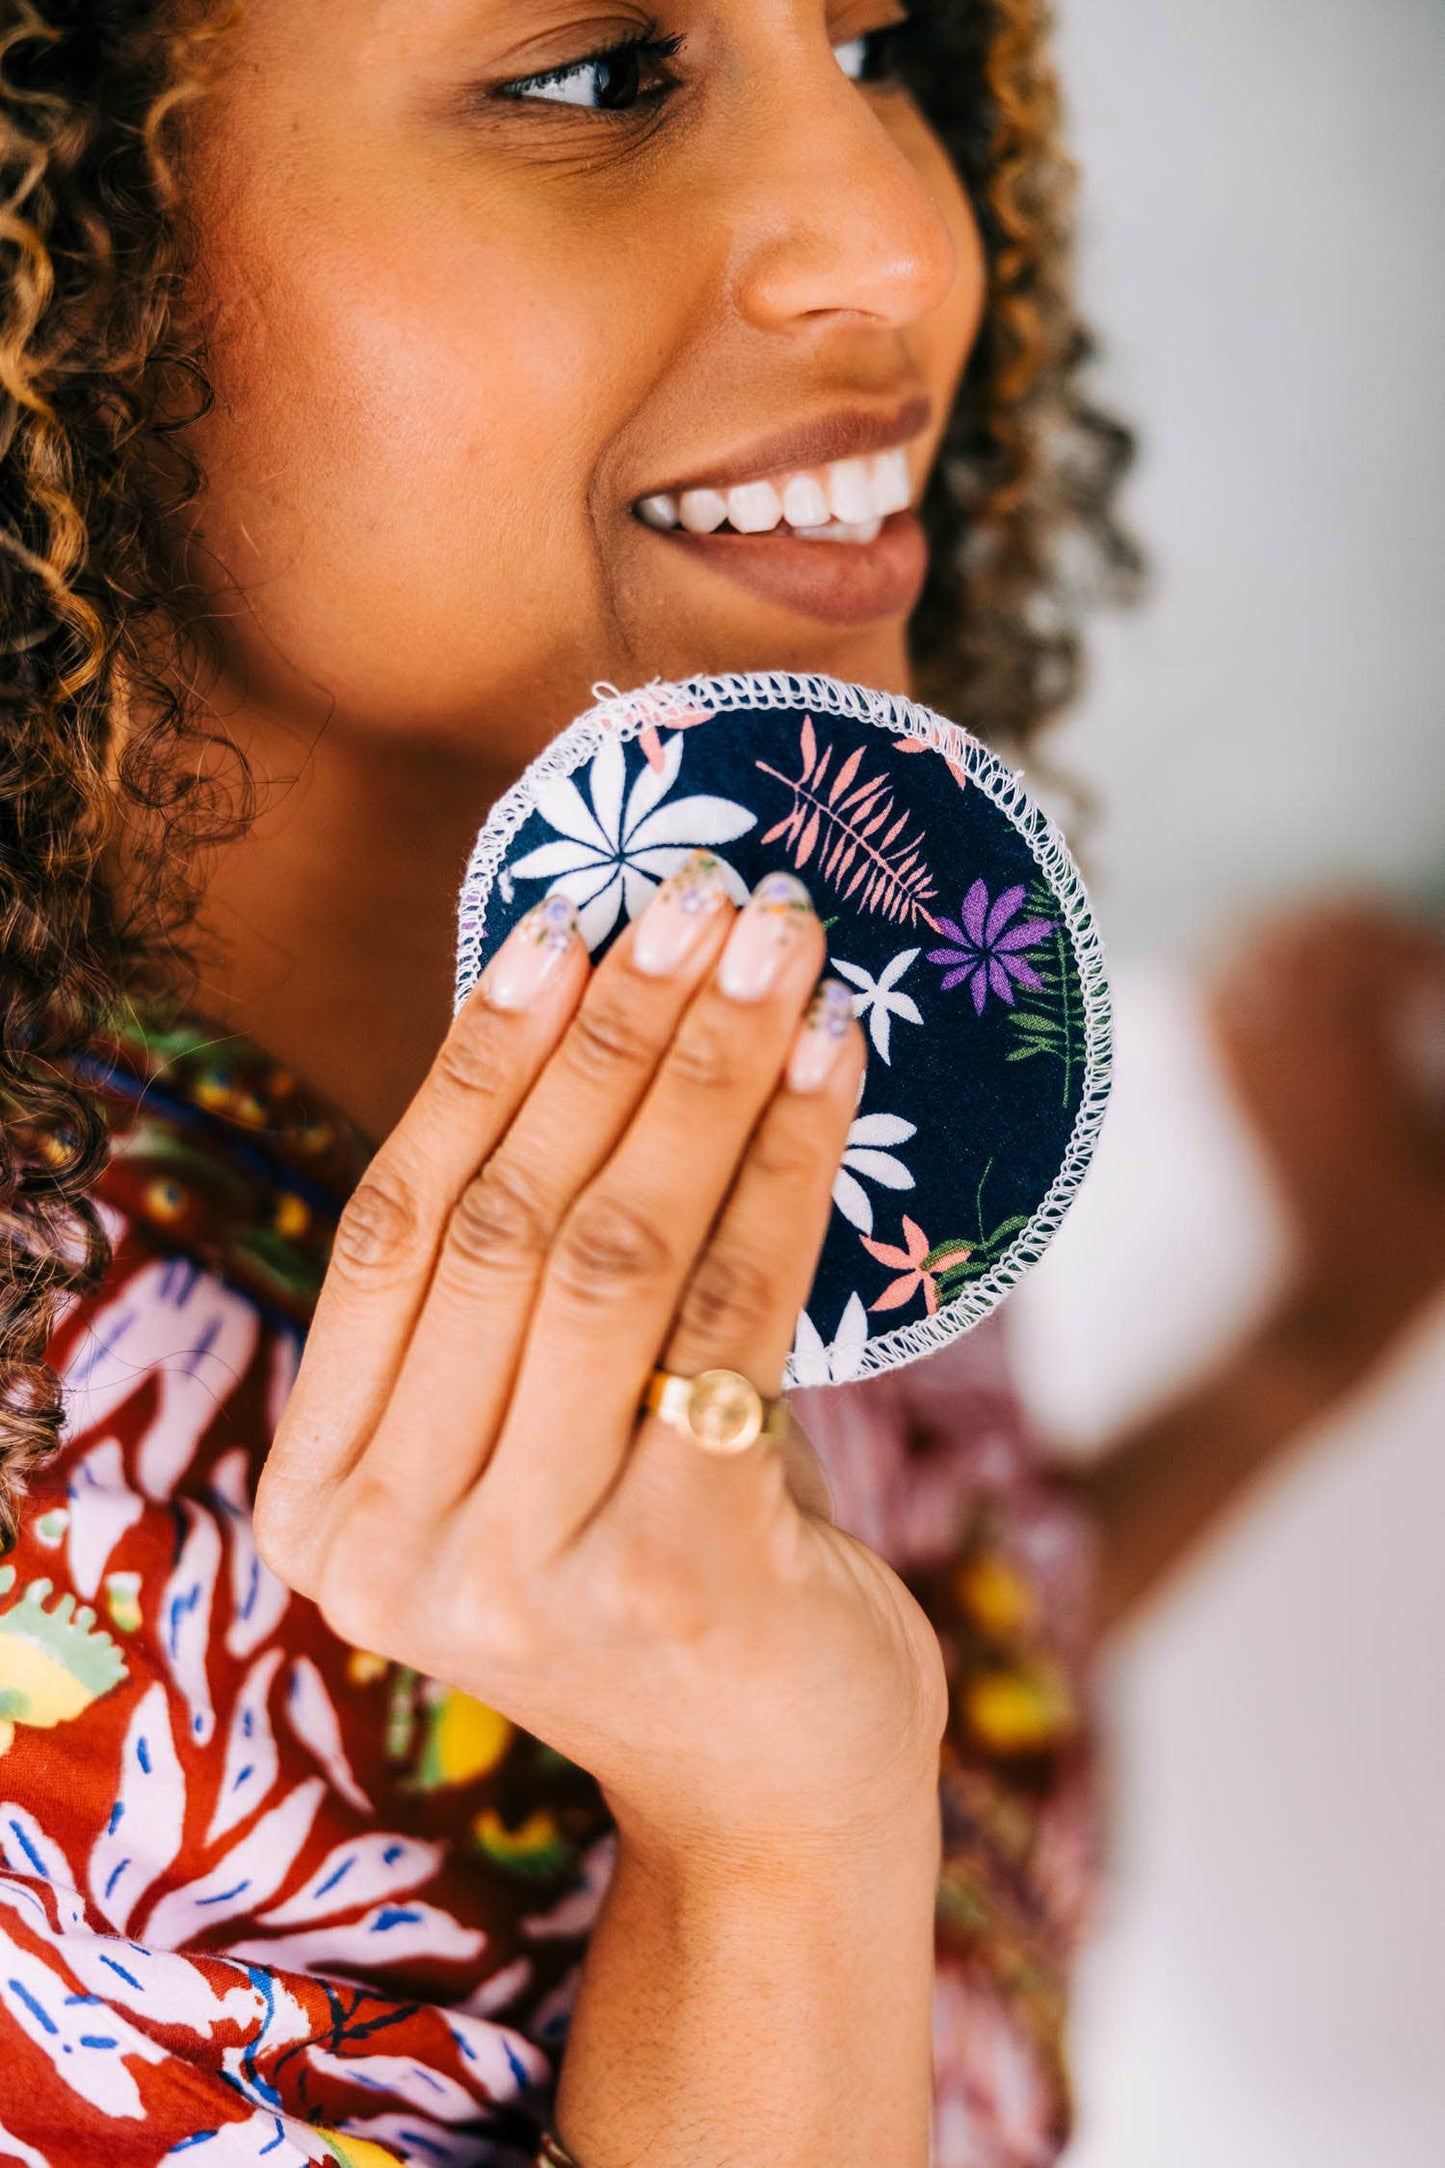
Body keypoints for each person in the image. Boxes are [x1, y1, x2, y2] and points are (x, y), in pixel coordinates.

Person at [1, 5, 1442, 2165]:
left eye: (873, 44)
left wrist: (1302, 1352)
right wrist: (768, 1846)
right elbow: (765, 1732)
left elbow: (835, 1625)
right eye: (594, 77)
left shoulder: (765, 985)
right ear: (69, 262)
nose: (895, 237)